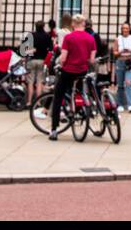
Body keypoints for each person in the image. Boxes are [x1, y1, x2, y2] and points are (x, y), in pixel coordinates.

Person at [47, 13, 97, 141]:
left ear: (73, 24)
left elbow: (63, 58)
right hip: (82, 71)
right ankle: (82, 112)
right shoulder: (90, 38)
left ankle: (54, 129)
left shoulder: (69, 37)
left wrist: (60, 65)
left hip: (68, 71)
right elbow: (92, 60)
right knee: (81, 93)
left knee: (58, 96)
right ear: (84, 24)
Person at [25, 20, 52, 108]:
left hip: (32, 60)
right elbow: (50, 49)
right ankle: (38, 102)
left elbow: (25, 49)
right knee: (39, 82)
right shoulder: (47, 36)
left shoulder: (31, 35)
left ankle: (29, 102)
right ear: (43, 26)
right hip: (42, 60)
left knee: (30, 82)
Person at [115, 22, 131, 113]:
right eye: (123, 28)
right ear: (121, 29)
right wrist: (120, 52)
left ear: (129, 29)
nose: (125, 30)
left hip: (130, 61)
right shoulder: (118, 39)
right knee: (120, 84)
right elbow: (115, 52)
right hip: (120, 61)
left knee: (128, 83)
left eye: (127, 28)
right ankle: (120, 104)